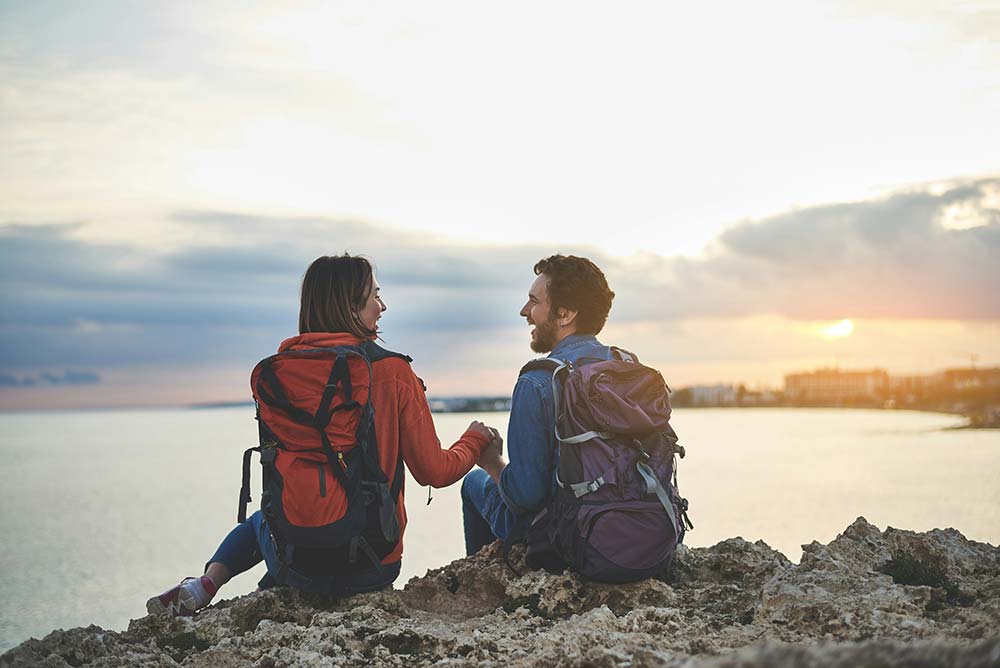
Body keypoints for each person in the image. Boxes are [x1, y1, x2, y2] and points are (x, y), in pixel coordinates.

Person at [147, 254, 499, 617]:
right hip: (373, 565)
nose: (383, 306)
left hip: (296, 561)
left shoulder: (282, 372)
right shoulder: (393, 371)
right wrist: (473, 440)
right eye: (374, 296)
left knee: (263, 519)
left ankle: (204, 584)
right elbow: (434, 472)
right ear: (350, 306)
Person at [461, 254, 616, 556]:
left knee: (474, 482)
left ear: (565, 313)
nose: (524, 311)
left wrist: (492, 460)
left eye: (534, 301)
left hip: (566, 538)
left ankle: (484, 589)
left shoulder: (538, 381)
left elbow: (525, 496)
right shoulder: (626, 365)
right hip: (636, 533)